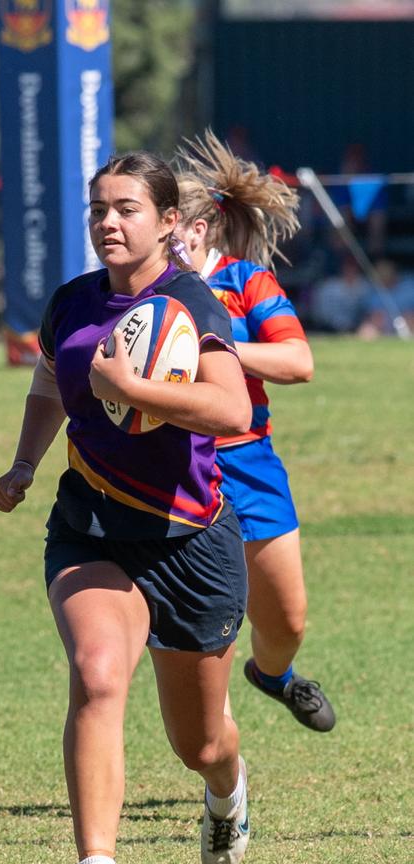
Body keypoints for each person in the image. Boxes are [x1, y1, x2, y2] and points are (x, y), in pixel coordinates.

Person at [0, 151, 252, 864]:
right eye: (100, 207)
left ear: (169, 223)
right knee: (99, 673)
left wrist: (138, 394)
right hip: (91, 528)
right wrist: (27, 463)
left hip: (191, 542)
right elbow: (48, 382)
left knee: (200, 740)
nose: (109, 221)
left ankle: (226, 794)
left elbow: (230, 407)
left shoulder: (190, 302)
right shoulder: (71, 302)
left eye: (128, 208)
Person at [173, 129, 335, 732]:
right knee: (210, 624)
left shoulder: (245, 282)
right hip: (176, 467)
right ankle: (222, 773)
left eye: (170, 233)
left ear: (198, 229)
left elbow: (299, 363)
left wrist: (216, 350)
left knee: (287, 623)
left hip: (248, 461)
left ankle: (273, 676)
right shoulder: (147, 293)